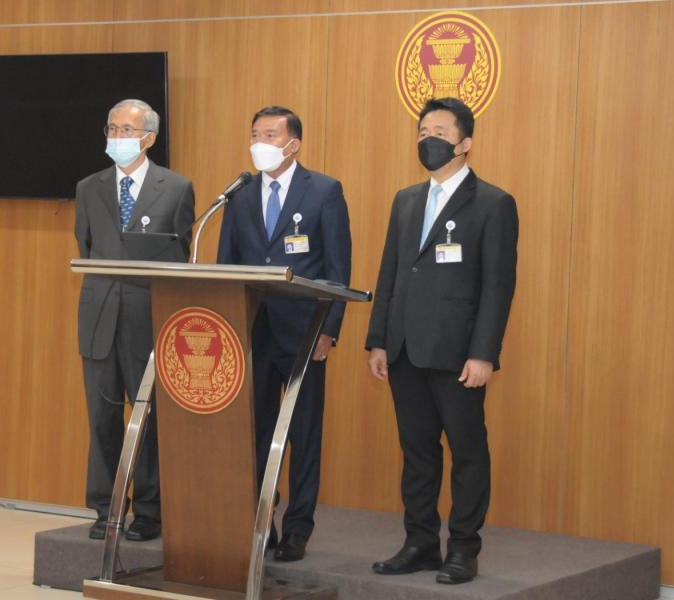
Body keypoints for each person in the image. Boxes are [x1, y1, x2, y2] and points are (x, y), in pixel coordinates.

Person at [366, 97, 518, 584]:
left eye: (439, 132)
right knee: (417, 451)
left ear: (464, 143)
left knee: (467, 451)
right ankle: (420, 542)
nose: (427, 139)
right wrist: (378, 340)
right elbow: (390, 272)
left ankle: (464, 548)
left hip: (458, 353)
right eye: (422, 131)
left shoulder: (493, 203)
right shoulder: (406, 199)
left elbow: (497, 286)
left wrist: (484, 353)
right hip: (404, 348)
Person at [217, 106, 352, 562]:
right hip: (252, 333)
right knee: (253, 434)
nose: (260, 142)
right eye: (255, 133)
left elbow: (337, 268)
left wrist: (329, 329)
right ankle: (259, 523)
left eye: (270, 135)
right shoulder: (239, 195)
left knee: (304, 435)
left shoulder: (324, 191)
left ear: (293, 144)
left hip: (304, 334)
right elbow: (226, 266)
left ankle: (298, 528)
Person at [75, 98, 195, 542]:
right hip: (99, 315)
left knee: (149, 418)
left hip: (149, 316)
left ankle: (149, 509)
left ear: (149, 138)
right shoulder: (88, 187)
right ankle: (105, 508)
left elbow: (179, 255)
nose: (116, 137)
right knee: (102, 418)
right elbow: (86, 245)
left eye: (126, 130)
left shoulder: (176, 188)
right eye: (111, 128)